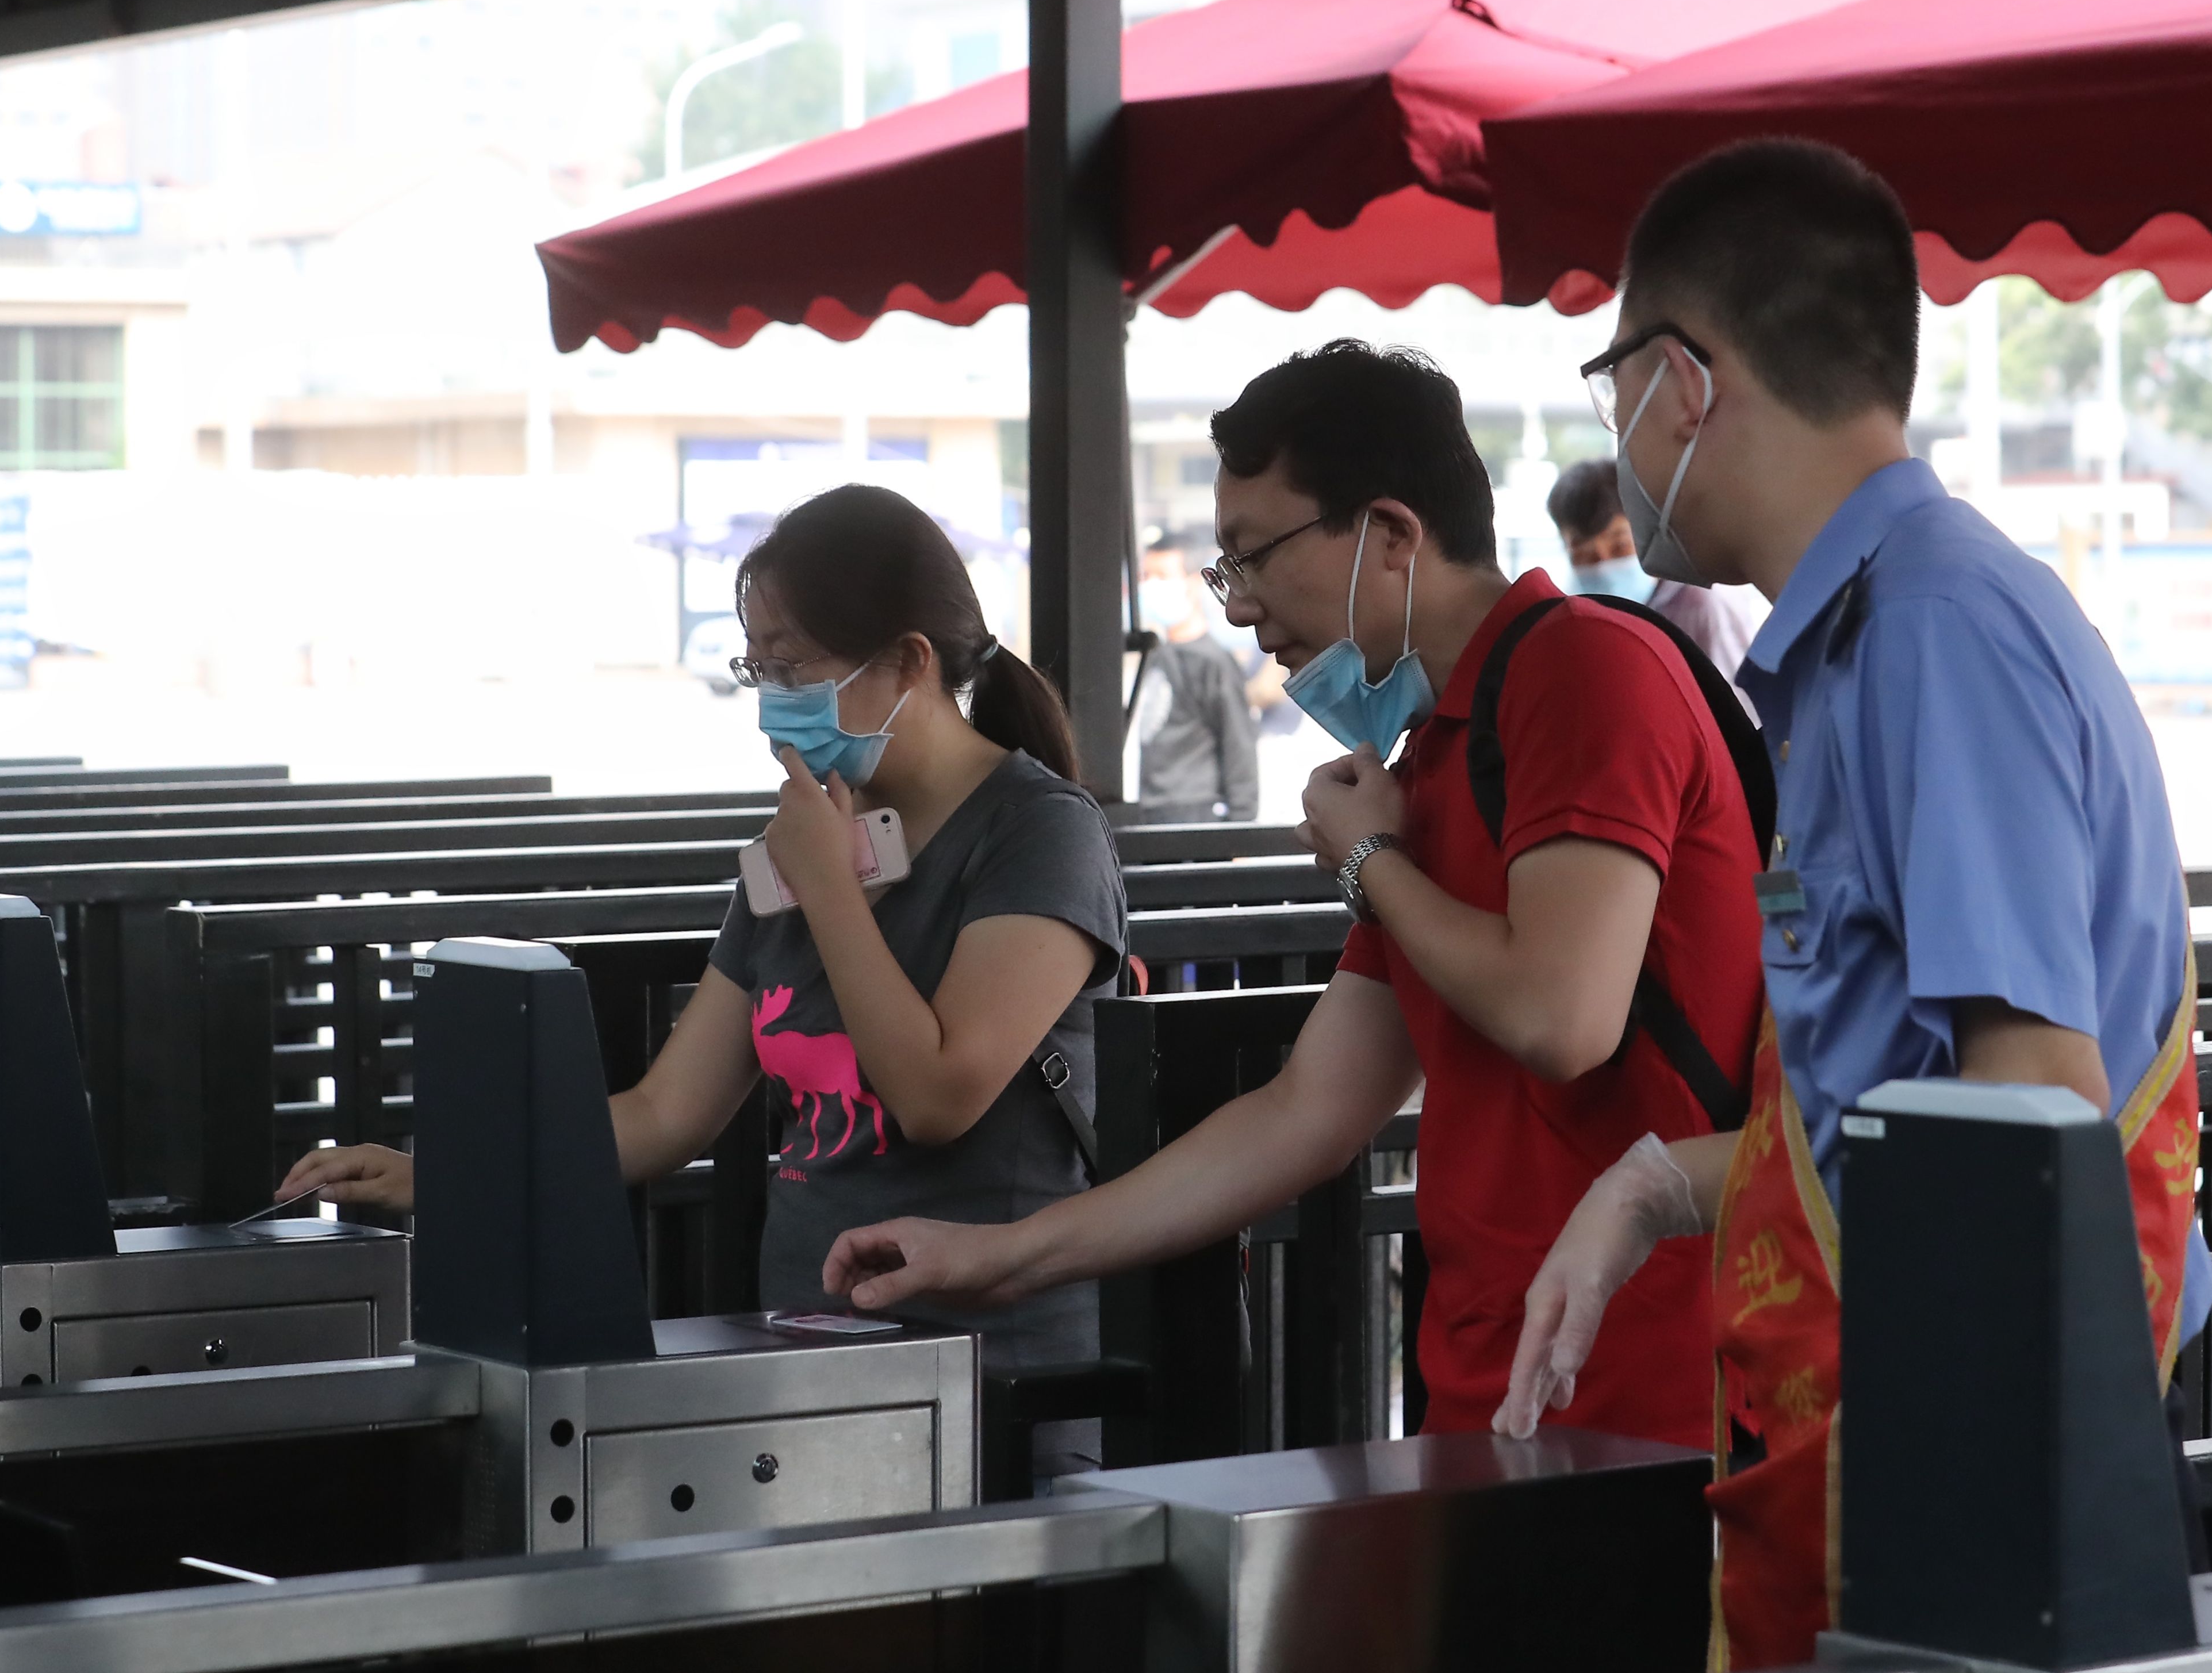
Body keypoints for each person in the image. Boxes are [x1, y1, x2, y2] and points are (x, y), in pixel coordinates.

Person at [1492, 139, 2212, 1670]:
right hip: (1888, 1441)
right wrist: (1647, 1191)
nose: (1612, 434)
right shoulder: (1855, 643)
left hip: (1961, 1493)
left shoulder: (1936, 635)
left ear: (1686, 383)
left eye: (1612, 380)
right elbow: (1880, 1095)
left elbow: (2029, 1123)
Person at [816, 340, 1765, 1451]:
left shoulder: (1584, 671)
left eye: (1250, 556)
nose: (1238, 608)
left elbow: (1561, 1016)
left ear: (1392, 535)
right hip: (1499, 1391)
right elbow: (1302, 1112)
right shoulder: (1427, 766)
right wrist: (996, 1255)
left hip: (1653, 1401)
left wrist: (1373, 867)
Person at [274, 485, 1129, 1390]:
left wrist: (828, 888)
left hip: (994, 1371)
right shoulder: (806, 839)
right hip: (808, 1344)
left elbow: (935, 1096)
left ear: (907, 660)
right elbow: (664, 1114)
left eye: (795, 669)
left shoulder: (1037, 833)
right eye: (758, 671)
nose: (773, 703)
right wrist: (437, 1175)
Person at [1547, 454, 1763, 715]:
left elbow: (1743, 713)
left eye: (1620, 547)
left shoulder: (1702, 603)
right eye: (1584, 555)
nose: (1604, 567)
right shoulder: (1575, 618)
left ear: (1644, 529)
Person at [1125, 532, 1260, 822]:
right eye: (1146, 575)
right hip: (1152, 811)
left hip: (1196, 813)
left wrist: (1240, 825)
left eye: (1162, 576)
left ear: (1191, 584)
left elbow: (1239, 746)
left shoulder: (1214, 663)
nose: (1150, 586)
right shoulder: (1157, 654)